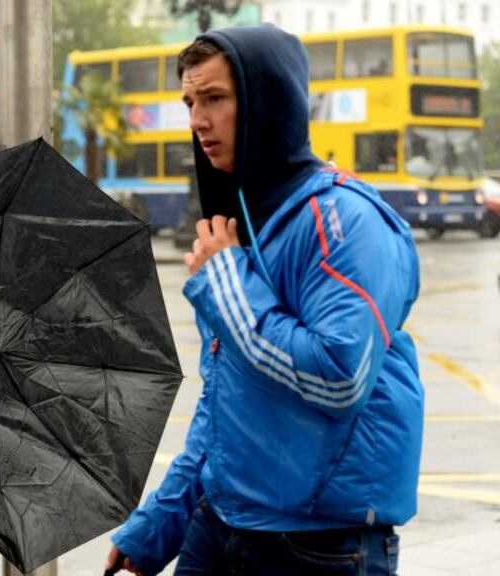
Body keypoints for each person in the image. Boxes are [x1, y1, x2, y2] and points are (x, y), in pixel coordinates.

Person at [106, 25, 422, 575]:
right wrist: (162, 520)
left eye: (215, 99)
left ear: (267, 99)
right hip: (221, 524)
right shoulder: (247, 220)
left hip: (318, 544)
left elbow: (339, 376)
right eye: (189, 102)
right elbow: (228, 401)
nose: (197, 121)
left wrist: (227, 281)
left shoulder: (343, 221)